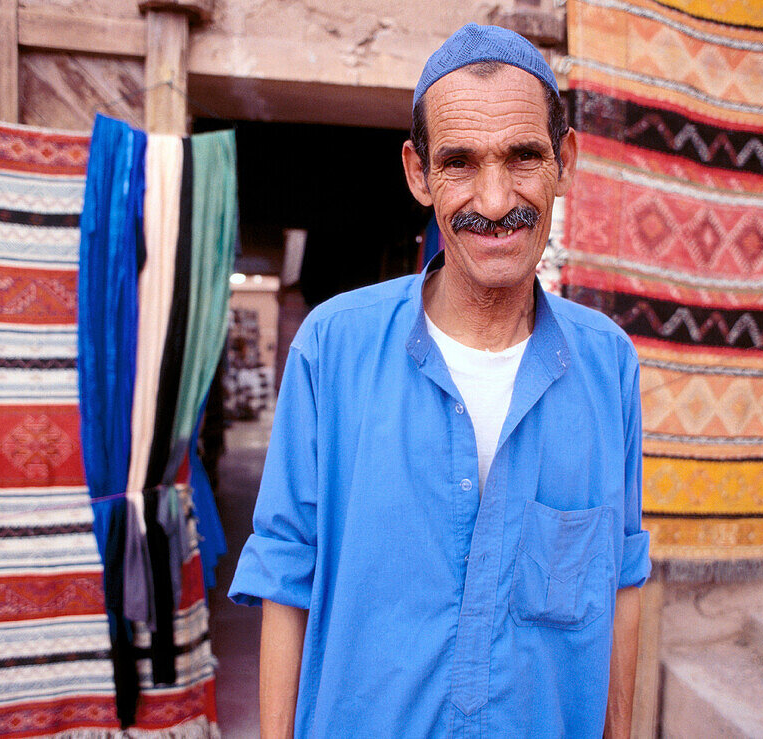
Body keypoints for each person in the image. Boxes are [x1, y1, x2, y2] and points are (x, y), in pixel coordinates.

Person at [229, 23, 650, 738]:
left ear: (566, 161)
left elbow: (620, 577)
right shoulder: (332, 349)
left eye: (523, 157)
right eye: (459, 162)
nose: (493, 201)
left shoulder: (608, 364)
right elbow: (284, 576)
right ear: (418, 173)